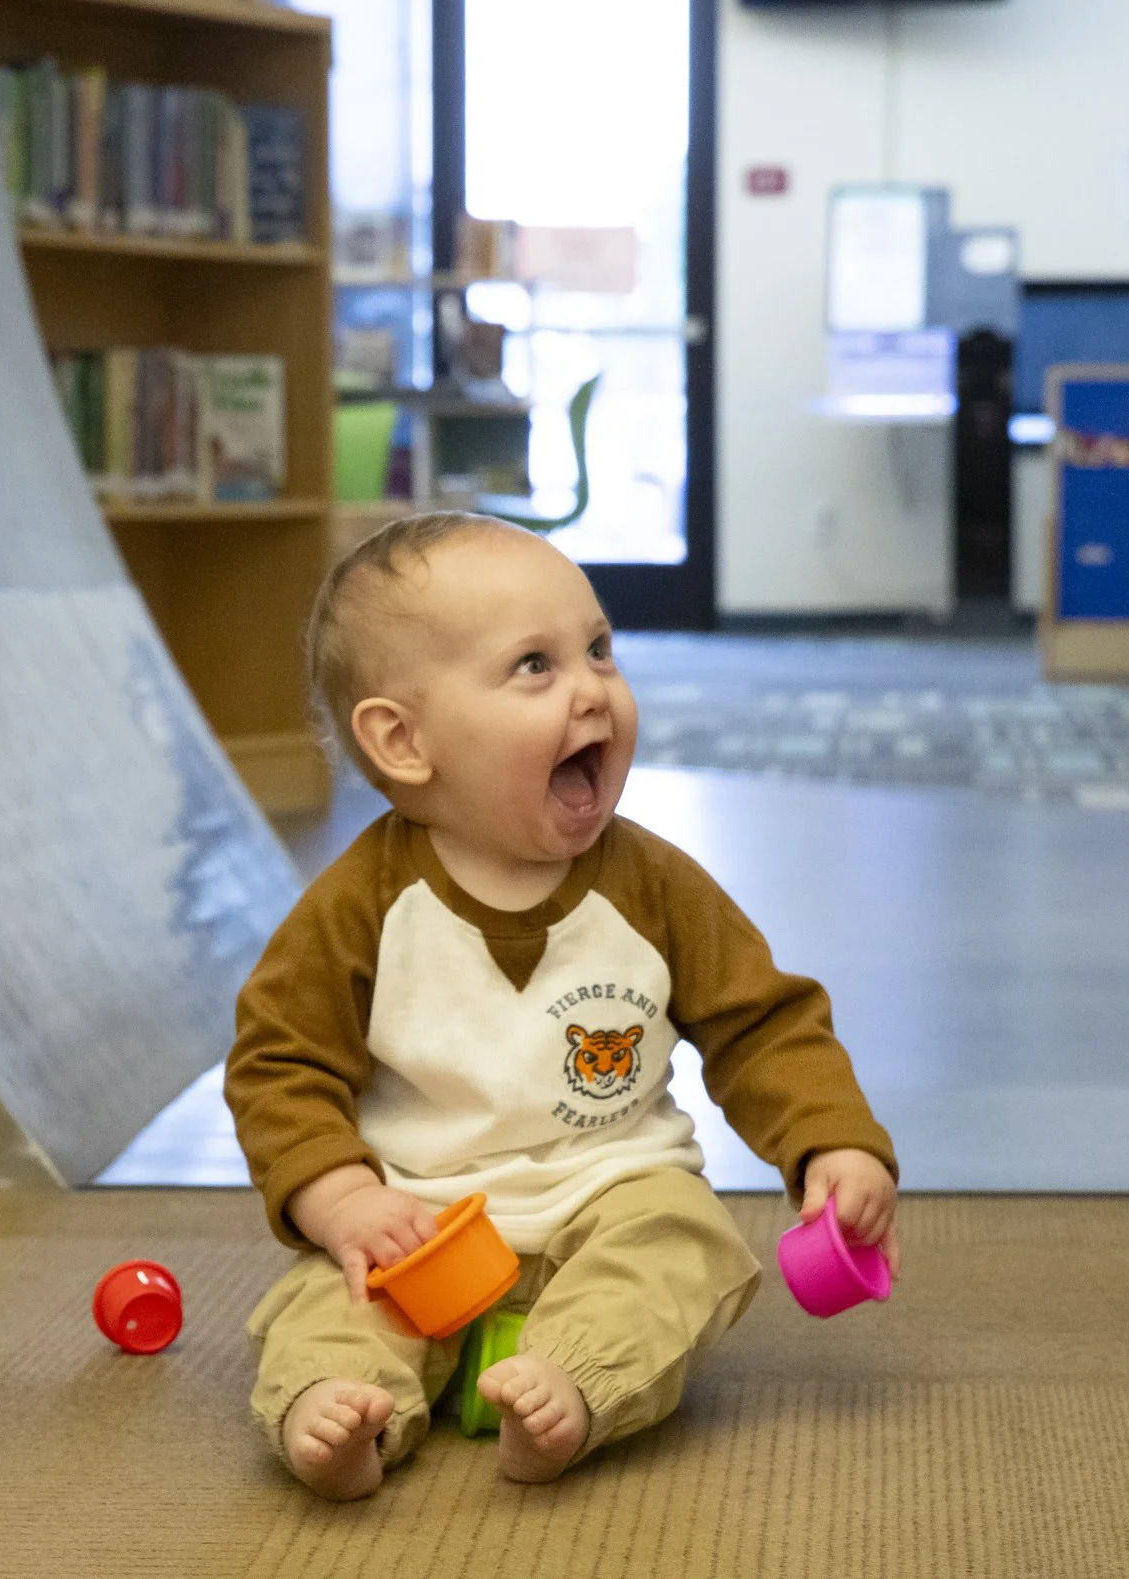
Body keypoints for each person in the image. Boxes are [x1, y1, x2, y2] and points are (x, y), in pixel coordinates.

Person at [226, 512, 899, 1500]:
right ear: (403, 739)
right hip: (419, 1218)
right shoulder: (360, 907)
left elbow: (763, 1024)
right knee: (330, 1300)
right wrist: (346, 1203)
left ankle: (572, 1380)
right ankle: (337, 1403)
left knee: (684, 1241)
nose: (592, 688)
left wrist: (833, 1142)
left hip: (610, 1190)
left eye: (598, 649)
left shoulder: (654, 886)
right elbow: (280, 1062)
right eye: (534, 666)